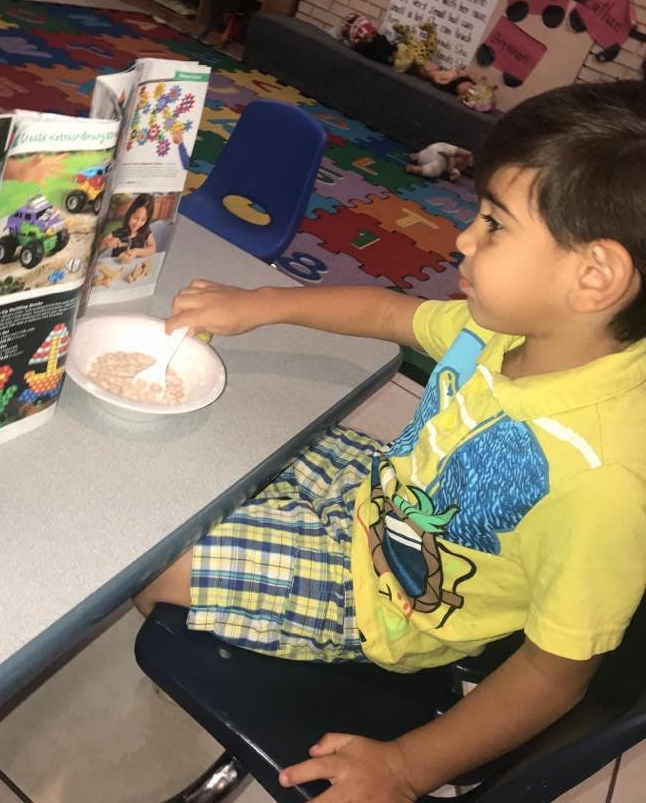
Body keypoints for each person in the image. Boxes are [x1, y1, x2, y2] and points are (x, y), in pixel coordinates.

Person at [134, 81, 646, 803]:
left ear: (595, 276)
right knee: (205, 436)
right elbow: (386, 311)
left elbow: (555, 673)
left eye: (495, 225)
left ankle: (226, 622)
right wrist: (259, 305)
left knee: (152, 567)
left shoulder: (606, 481)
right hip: (380, 490)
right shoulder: (506, 328)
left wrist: (407, 766)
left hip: (386, 603)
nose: (464, 238)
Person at [99, 193, 156, 262]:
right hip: (116, 266)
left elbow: (152, 248)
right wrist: (108, 242)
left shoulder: (145, 231)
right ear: (129, 214)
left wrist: (137, 251)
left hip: (134, 266)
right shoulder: (120, 232)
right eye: (135, 218)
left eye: (143, 220)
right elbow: (99, 245)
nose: (137, 224)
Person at [405, 142, 474, 182]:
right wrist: (449, 155)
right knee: (447, 148)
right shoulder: (452, 155)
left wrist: (455, 176)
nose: (462, 165)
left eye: (465, 165)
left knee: (436, 171)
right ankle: (418, 155)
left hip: (433, 163)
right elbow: (445, 151)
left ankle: (415, 169)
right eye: (463, 160)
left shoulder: (453, 168)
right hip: (437, 151)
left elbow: (453, 176)